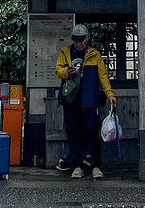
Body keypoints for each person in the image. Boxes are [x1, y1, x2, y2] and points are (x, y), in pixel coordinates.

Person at [56, 24, 115, 180]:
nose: (79, 43)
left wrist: (110, 94)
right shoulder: (65, 52)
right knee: (72, 133)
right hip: (71, 100)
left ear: (87, 38)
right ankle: (76, 166)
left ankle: (96, 166)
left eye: (81, 40)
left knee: (91, 133)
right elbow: (58, 70)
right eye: (76, 40)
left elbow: (103, 76)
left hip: (89, 100)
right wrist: (67, 72)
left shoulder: (95, 55)